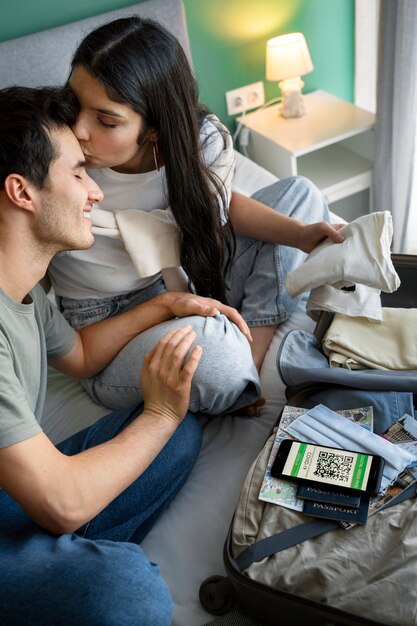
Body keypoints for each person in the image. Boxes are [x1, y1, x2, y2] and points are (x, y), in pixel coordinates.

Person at [0, 85, 257, 625]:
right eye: (77, 173)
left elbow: (81, 356)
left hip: (17, 486)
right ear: (22, 193)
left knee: (180, 436)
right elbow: (64, 504)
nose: (95, 193)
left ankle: (54, 573)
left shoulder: (28, 291)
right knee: (128, 591)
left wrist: (164, 305)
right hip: (28, 498)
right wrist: (160, 413)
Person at [47, 16, 343, 414]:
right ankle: (233, 358)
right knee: (214, 355)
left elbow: (212, 206)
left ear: (155, 129)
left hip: (187, 274)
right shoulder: (54, 155)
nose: (78, 129)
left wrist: (301, 234)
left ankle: (250, 352)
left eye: (105, 120)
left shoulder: (196, 142)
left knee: (300, 194)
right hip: (108, 319)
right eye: (74, 103)